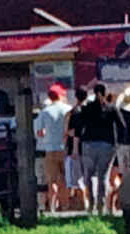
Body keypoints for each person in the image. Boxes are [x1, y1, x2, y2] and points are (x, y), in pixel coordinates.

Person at [77, 83, 125, 215]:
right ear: (105, 93)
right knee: (102, 177)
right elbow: (122, 126)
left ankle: (90, 204)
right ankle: (100, 206)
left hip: (88, 145)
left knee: (88, 176)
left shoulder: (87, 108)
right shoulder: (111, 108)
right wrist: (117, 144)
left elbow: (79, 126)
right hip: (106, 145)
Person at [33, 83, 71, 212]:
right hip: (65, 148)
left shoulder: (45, 112)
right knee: (65, 179)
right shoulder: (67, 109)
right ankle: (65, 206)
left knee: (52, 180)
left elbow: (39, 133)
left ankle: (53, 207)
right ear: (60, 95)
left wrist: (47, 136)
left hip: (50, 149)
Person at [63, 141, 88, 211]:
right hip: (80, 152)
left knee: (74, 182)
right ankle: (78, 203)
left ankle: (81, 203)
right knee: (76, 182)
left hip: (74, 154)